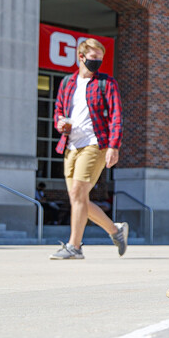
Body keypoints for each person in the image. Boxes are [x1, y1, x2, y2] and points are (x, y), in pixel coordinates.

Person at [50, 38, 128, 260]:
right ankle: (115, 230)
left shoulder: (107, 83)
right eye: (94, 57)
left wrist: (114, 146)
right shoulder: (67, 83)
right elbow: (58, 110)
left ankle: (74, 247)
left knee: (77, 194)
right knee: (79, 198)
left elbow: (116, 117)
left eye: (100, 58)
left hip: (96, 144)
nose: (98, 62)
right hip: (71, 145)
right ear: (81, 57)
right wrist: (60, 123)